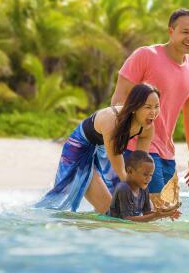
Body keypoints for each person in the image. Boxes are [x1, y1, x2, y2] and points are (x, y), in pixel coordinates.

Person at [109, 9, 189, 208]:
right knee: (154, 211)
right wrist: (118, 141)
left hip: (167, 152)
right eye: (185, 32)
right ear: (171, 31)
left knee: (168, 213)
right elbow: (118, 98)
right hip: (138, 146)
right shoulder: (146, 55)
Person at [35, 84, 159, 213]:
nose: (153, 112)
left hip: (102, 151)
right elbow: (122, 172)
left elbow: (138, 167)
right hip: (78, 150)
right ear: (134, 107)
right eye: (148, 107)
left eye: (157, 107)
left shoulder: (147, 127)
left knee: (133, 209)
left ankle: (94, 228)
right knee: (108, 210)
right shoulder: (112, 122)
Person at [108, 151, 180, 222]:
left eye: (151, 175)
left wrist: (165, 214)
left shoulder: (143, 188)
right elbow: (127, 219)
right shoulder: (124, 189)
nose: (148, 179)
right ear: (130, 171)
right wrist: (156, 215)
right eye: (145, 174)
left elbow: (146, 213)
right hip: (112, 225)